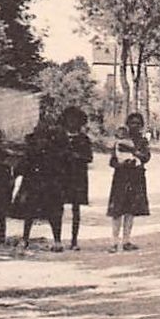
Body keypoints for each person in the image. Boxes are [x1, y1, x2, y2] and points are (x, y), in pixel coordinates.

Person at [10, 120, 65, 251]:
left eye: (43, 137)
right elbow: (22, 166)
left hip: (50, 186)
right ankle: (25, 239)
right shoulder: (31, 151)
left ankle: (57, 241)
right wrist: (17, 174)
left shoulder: (55, 152)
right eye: (39, 137)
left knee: (54, 213)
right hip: (33, 185)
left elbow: (62, 169)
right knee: (29, 212)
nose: (41, 140)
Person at [107, 112, 150, 252]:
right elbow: (112, 161)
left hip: (136, 177)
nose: (135, 126)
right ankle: (114, 241)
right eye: (132, 123)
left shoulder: (143, 141)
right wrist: (122, 164)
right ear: (127, 124)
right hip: (121, 176)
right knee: (117, 209)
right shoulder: (120, 140)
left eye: (138, 123)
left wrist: (133, 151)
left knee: (131, 209)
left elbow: (146, 157)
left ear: (141, 126)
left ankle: (126, 240)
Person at [58, 106, 95, 251]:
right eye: (69, 118)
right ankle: (57, 239)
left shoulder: (83, 139)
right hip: (61, 175)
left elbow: (89, 157)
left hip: (77, 176)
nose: (72, 122)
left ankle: (74, 240)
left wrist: (77, 156)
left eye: (75, 119)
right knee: (58, 207)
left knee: (76, 208)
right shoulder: (59, 138)